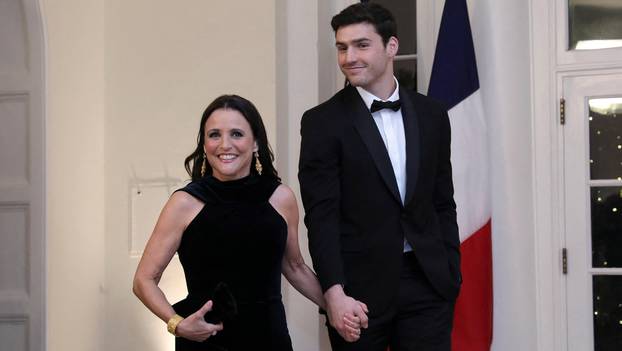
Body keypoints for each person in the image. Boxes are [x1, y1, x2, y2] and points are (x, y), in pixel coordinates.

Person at [133, 94, 362, 350]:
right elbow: (144, 279)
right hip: (207, 340)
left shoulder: (280, 198)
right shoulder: (184, 203)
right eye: (214, 135)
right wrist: (177, 323)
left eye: (237, 134)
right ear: (204, 143)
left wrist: (337, 303)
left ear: (256, 143)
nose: (225, 144)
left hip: (269, 339)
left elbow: (295, 267)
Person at [298, 3, 461, 351]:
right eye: (342, 47)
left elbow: (442, 202)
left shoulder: (432, 114)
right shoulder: (321, 123)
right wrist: (334, 293)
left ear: (391, 46)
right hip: (358, 293)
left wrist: (450, 274)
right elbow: (321, 216)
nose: (349, 57)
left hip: (428, 284)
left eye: (361, 45)